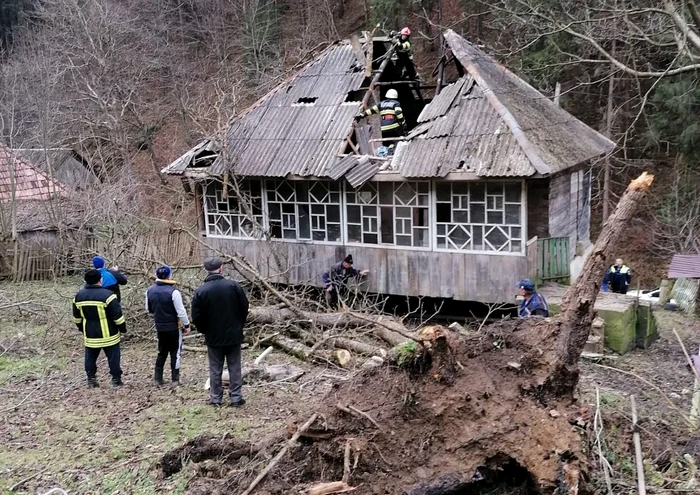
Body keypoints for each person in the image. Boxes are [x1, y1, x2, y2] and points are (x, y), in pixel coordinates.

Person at [192, 257, 249, 407]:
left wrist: (205, 330)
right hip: (233, 334)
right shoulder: (233, 286)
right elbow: (244, 307)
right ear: (221, 268)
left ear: (206, 270)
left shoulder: (201, 291)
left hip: (213, 335)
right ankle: (236, 398)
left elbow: (196, 316)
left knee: (215, 368)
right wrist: (239, 325)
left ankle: (216, 398)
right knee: (235, 367)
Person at [72, 269, 127, 388]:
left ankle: (91, 379)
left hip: (90, 335)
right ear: (100, 280)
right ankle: (116, 380)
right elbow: (117, 316)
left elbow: (77, 318)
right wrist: (122, 328)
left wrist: (82, 329)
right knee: (113, 358)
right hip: (109, 334)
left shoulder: (78, 297)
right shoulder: (108, 296)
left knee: (90, 358)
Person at [146, 265, 191, 387]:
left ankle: (157, 378)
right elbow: (181, 311)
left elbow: (148, 309)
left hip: (159, 326)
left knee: (162, 351)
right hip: (174, 327)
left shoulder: (149, 290)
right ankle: (175, 379)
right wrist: (186, 325)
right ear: (169, 276)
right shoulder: (174, 292)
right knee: (175, 352)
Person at [357, 89, 406, 153]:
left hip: (384, 128)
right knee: (398, 139)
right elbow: (398, 113)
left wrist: (362, 115)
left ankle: (388, 152)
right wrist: (403, 123)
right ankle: (392, 151)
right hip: (394, 127)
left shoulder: (381, 104)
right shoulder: (396, 104)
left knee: (387, 142)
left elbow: (371, 110)